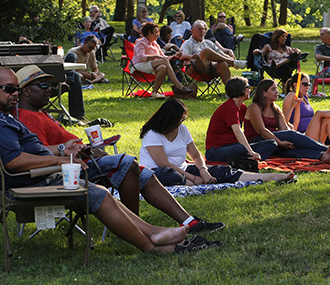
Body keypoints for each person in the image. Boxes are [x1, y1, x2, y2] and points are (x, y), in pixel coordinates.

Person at [0, 67, 216, 254]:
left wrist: (64, 150)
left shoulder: (12, 117)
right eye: (9, 89)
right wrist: (60, 160)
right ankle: (152, 244)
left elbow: (35, 149)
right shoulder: (13, 120)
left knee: (135, 170)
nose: (50, 91)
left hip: (61, 166)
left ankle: (159, 231)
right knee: (122, 169)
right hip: (41, 177)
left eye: (16, 89)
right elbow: (14, 161)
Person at [139, 98, 293, 186]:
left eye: (183, 119)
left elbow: (196, 155)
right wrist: (193, 177)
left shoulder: (183, 130)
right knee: (169, 175)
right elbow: (164, 164)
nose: (182, 122)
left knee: (220, 170)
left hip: (183, 169)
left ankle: (271, 177)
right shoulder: (153, 134)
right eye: (180, 120)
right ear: (169, 120)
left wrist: (203, 170)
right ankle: (193, 183)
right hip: (158, 172)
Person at [243, 79, 330, 161]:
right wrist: (281, 142)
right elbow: (261, 131)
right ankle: (327, 148)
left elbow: (284, 129)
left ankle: (323, 155)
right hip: (257, 143)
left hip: (273, 142)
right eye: (273, 89)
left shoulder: (275, 108)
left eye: (277, 89)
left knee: (290, 151)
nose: (277, 92)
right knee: (290, 135)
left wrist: (290, 142)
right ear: (264, 93)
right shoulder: (254, 107)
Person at [282, 72, 330, 145]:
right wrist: (292, 107)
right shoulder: (291, 96)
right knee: (319, 113)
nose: (307, 87)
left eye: (309, 85)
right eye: (305, 84)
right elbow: (284, 122)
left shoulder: (305, 96)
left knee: (328, 119)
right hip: (303, 135)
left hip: (316, 131)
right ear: (295, 85)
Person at [132, 22, 195, 99]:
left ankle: (154, 93)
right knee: (163, 62)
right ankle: (178, 85)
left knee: (163, 67)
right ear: (149, 32)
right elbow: (141, 57)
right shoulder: (141, 42)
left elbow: (164, 58)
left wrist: (175, 56)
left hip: (151, 66)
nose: (158, 35)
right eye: (155, 32)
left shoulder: (155, 44)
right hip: (138, 66)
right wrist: (156, 56)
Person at [180, 20, 246, 85]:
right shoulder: (187, 43)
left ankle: (230, 91)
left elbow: (221, 54)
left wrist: (232, 58)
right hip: (197, 69)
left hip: (211, 69)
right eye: (199, 29)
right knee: (206, 51)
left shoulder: (208, 42)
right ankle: (233, 63)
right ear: (192, 31)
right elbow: (181, 55)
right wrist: (192, 56)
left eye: (204, 29)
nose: (202, 31)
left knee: (223, 64)